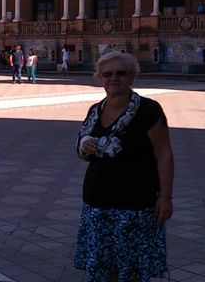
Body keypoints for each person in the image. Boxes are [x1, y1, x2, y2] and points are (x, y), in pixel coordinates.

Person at [73, 51, 175, 281]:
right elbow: (82, 149)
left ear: (132, 77)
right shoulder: (95, 111)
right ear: (100, 78)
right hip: (97, 205)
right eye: (107, 74)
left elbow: (164, 154)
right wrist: (85, 146)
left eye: (121, 73)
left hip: (135, 206)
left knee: (131, 271)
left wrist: (166, 196)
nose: (113, 78)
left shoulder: (148, 110)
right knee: (102, 270)